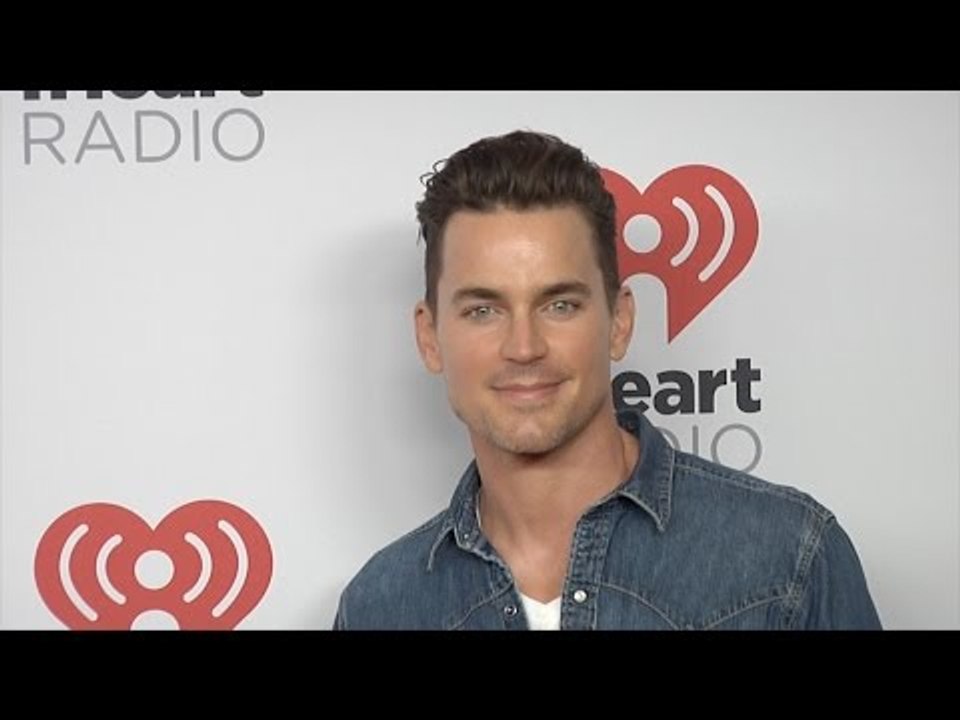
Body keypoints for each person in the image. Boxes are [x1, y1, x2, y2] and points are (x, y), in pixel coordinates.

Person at [333, 130, 882, 630]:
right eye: (483, 310)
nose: (524, 347)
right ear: (430, 338)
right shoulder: (380, 606)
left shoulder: (787, 561)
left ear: (619, 322)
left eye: (560, 304)